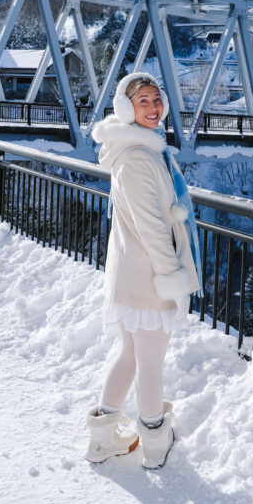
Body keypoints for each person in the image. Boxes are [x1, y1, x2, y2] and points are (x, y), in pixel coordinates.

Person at [86, 71, 201, 468]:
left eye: (157, 99)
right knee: (149, 361)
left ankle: (103, 438)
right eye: (143, 101)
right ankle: (154, 441)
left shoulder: (141, 149)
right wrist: (174, 279)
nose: (153, 107)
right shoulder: (137, 158)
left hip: (132, 275)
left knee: (132, 356)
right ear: (125, 108)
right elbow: (154, 228)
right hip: (149, 278)